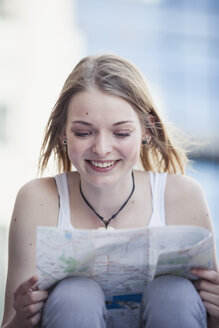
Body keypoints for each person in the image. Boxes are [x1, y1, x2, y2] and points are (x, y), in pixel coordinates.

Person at [1, 54, 219, 328]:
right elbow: (11, 322)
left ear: (146, 130)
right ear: (62, 134)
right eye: (83, 133)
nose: (102, 148)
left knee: (174, 295)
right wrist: (24, 317)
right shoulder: (38, 200)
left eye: (121, 133)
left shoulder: (183, 196)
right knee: (74, 297)